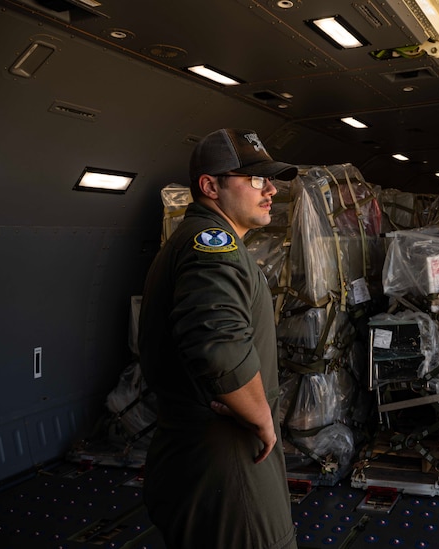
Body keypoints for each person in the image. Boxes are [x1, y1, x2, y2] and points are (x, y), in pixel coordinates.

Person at [138, 128, 300, 549]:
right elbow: (220, 345)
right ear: (210, 186)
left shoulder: (199, 242)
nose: (270, 190)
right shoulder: (211, 245)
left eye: (270, 179)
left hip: (201, 461)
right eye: (254, 179)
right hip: (227, 466)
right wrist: (262, 416)